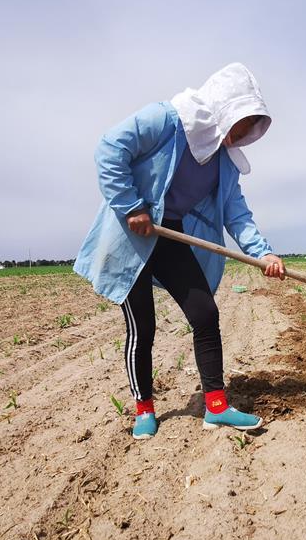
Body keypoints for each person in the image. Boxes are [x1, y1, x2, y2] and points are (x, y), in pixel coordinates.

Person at [73, 63, 286, 440]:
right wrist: (131, 206)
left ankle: (216, 407)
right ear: (225, 109)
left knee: (204, 313)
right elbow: (110, 148)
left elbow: (236, 212)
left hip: (169, 234)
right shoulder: (167, 120)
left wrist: (263, 253)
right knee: (143, 326)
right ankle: (144, 408)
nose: (244, 134)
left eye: (252, 127)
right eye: (243, 123)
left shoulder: (225, 160)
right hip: (130, 235)